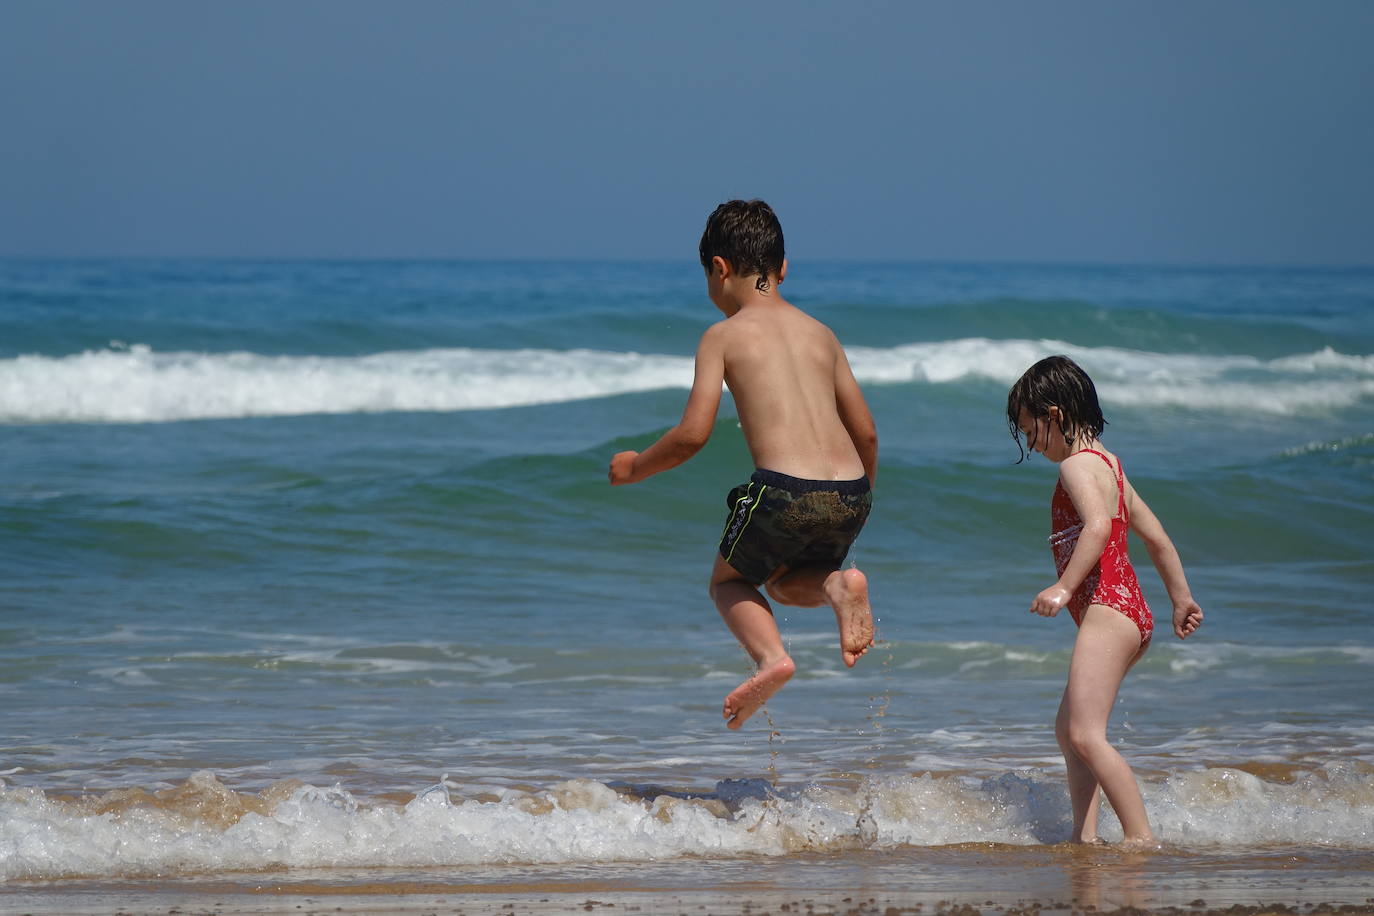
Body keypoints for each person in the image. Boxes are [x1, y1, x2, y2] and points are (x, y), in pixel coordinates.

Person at [609, 199, 879, 730]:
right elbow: (865, 430)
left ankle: (771, 659)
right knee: (782, 581)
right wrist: (863, 493)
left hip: (783, 489)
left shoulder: (723, 336)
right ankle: (837, 586)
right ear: (783, 269)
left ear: (719, 268)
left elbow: (692, 435)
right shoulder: (822, 334)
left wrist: (636, 466)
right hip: (851, 490)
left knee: (729, 585)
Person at [1007, 355, 1204, 846]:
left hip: (1108, 608)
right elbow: (1157, 539)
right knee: (1070, 731)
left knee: (1085, 736)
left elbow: (1096, 527)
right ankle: (1083, 836)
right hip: (1131, 612)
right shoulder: (1112, 466)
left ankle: (1140, 839)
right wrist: (1181, 599)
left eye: (1031, 432)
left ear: (1055, 415)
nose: (1033, 446)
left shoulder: (1077, 466)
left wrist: (1063, 588)